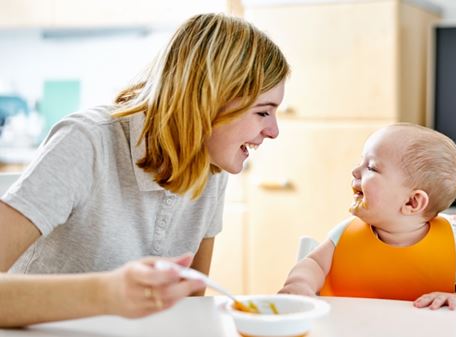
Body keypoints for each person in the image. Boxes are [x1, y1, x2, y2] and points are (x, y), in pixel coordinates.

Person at [0, 13, 289, 327]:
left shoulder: (211, 168)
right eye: (263, 112)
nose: (273, 131)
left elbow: (188, 309)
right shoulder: (86, 141)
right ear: (209, 100)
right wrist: (108, 293)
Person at [279, 123, 456, 310]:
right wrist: (300, 284)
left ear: (412, 202)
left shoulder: (451, 246)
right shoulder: (345, 235)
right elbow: (313, 265)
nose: (356, 171)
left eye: (372, 168)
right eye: (361, 162)